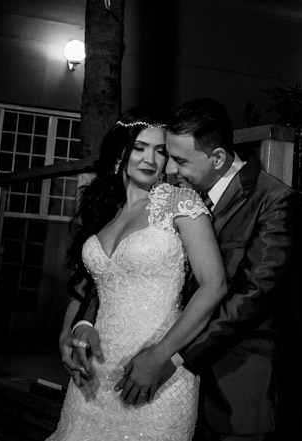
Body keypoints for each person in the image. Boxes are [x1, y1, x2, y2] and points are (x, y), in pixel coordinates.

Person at [69, 98, 300, 441]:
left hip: (233, 372)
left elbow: (251, 298)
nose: (169, 168)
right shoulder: (174, 194)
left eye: (177, 159)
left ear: (218, 158)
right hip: (143, 364)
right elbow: (118, 273)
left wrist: (170, 358)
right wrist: (84, 323)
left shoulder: (272, 200)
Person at [50, 107, 227, 441]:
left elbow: (214, 286)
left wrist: (160, 358)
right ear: (122, 150)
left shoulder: (180, 202)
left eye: (161, 151)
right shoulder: (104, 208)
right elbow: (89, 285)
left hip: (156, 372)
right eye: (140, 147)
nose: (150, 159)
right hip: (95, 374)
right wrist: (68, 334)